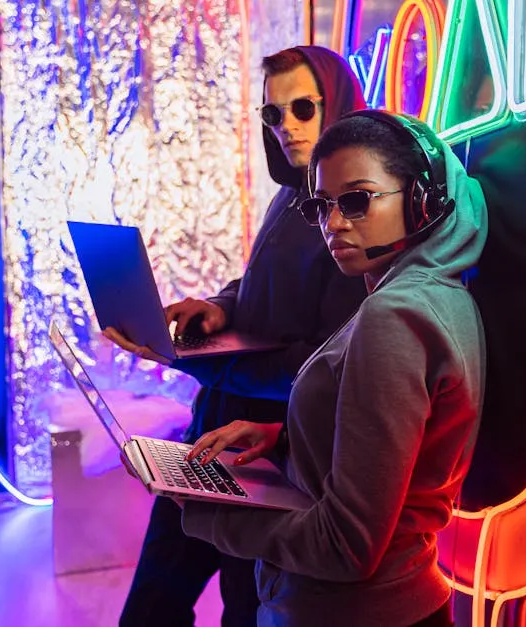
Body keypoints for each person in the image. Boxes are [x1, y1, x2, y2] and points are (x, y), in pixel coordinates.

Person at [179, 110, 489, 627]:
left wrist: (209, 513)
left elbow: (346, 546)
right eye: (322, 206)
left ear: (422, 200)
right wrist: (284, 438)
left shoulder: (395, 318)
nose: (334, 223)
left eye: (357, 200)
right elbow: (403, 455)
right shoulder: (435, 296)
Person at [106, 47, 368, 627]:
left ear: (340, 105)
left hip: (266, 454)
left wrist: (192, 362)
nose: (287, 127)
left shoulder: (350, 217)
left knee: (242, 609)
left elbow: (319, 370)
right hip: (215, 432)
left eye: (303, 108)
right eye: (274, 115)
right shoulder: (293, 195)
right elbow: (257, 284)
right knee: (152, 601)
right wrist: (219, 308)